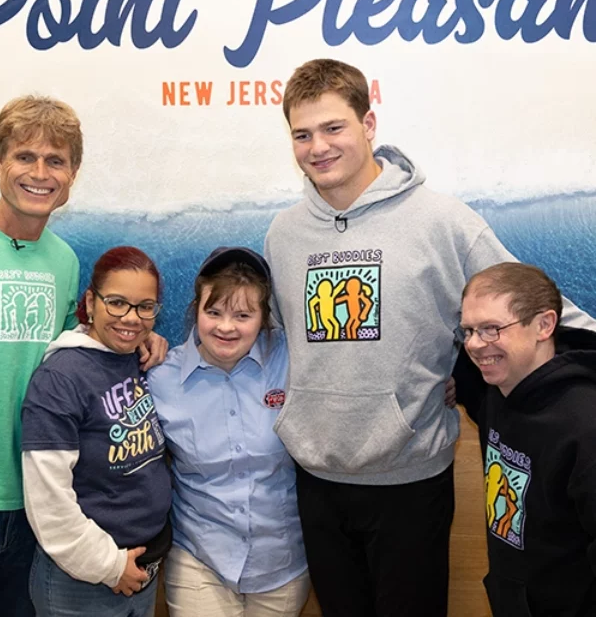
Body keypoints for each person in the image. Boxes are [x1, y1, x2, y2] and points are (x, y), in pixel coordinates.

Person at [263, 58, 596, 616]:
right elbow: (271, 334)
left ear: (368, 126)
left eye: (333, 128)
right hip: (316, 475)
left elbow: (537, 307)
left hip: (410, 477)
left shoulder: (443, 221)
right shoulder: (284, 232)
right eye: (302, 134)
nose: (317, 146)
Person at [0, 96, 166, 617]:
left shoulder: (63, 261)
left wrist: (141, 340)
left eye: (55, 161)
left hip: (39, 508)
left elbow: (78, 350)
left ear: (73, 173)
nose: (39, 174)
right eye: (24, 157)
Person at [147, 247, 310, 617]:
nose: (226, 327)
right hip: (200, 558)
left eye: (243, 315)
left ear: (264, 318)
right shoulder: (160, 376)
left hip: (282, 562)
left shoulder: (292, 358)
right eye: (214, 312)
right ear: (196, 310)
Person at [21, 246, 172, 617]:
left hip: (142, 571)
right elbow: (48, 500)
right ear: (91, 300)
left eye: (145, 307)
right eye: (117, 303)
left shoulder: (137, 358)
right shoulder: (60, 378)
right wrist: (108, 566)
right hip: (84, 584)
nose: (131, 318)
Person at [453, 262, 596, 616]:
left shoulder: (585, 425)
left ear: (544, 325)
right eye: (468, 330)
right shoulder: (497, 392)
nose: (474, 344)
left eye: (491, 329)